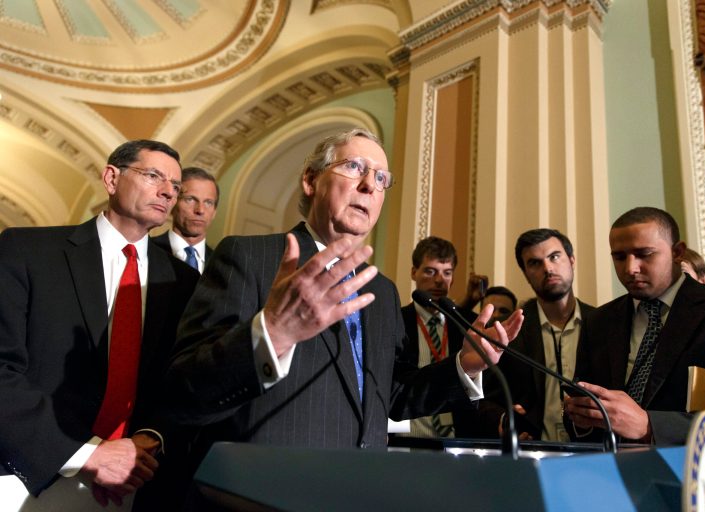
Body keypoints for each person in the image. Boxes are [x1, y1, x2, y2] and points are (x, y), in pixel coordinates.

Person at [164, 128, 523, 504]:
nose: (370, 185)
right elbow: (183, 392)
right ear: (310, 180)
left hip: (359, 493)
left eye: (381, 178)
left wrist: (463, 366)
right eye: (354, 167)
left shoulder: (382, 292)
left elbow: (391, 396)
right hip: (263, 496)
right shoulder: (250, 257)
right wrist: (272, 335)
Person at [0, 140, 199, 510]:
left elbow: (183, 382)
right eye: (154, 175)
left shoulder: (184, 282)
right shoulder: (27, 252)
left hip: (133, 485)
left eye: (176, 185)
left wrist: (149, 439)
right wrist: (85, 455)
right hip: (28, 477)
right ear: (111, 177)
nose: (168, 191)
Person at [564, 207, 705, 445]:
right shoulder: (599, 321)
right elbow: (584, 416)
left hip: (696, 474)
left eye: (644, 254)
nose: (630, 269)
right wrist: (581, 418)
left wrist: (649, 426)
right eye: (620, 257)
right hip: (612, 473)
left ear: (678, 252)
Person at [483, 229, 595, 441]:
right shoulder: (509, 331)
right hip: (529, 453)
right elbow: (482, 397)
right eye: (535, 263)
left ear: (571, 260)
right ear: (526, 274)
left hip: (594, 452)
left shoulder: (602, 322)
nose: (547, 268)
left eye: (554, 257)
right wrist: (504, 420)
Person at [400, 236, 481, 438]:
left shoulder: (468, 324)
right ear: (413, 272)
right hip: (408, 436)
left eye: (447, 273)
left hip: (459, 438)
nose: (439, 280)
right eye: (430, 271)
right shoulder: (397, 320)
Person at [152, 167, 219, 273]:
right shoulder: (147, 249)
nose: (200, 210)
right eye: (190, 199)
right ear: (172, 203)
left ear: (214, 212)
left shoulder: (222, 265)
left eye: (208, 203)